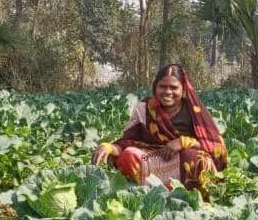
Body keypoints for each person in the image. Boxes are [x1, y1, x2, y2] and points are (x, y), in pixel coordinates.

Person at [91, 64, 227, 192]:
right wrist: (109, 147)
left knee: (199, 159)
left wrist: (183, 142)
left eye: (174, 87)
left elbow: (215, 147)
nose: (168, 92)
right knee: (128, 155)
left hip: (181, 162)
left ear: (184, 90)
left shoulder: (193, 111)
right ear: (155, 87)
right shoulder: (145, 108)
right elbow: (128, 140)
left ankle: (195, 197)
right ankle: (145, 194)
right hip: (151, 157)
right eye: (163, 86)